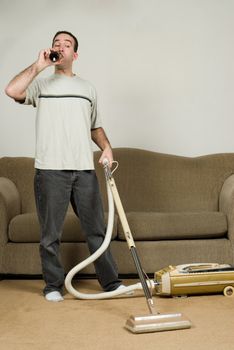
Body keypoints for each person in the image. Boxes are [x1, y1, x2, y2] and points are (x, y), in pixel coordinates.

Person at [5, 30, 124, 302]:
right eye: (56, 43)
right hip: (50, 171)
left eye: (66, 44)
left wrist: (107, 146)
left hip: (83, 170)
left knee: (96, 230)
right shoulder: (40, 85)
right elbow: (12, 90)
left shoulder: (87, 89)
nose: (60, 46)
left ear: (75, 54)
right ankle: (53, 286)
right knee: (50, 234)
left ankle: (111, 283)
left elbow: (95, 127)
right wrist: (38, 66)